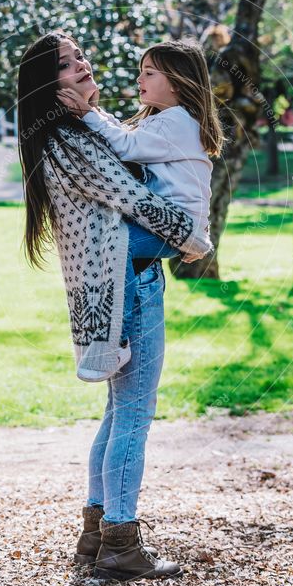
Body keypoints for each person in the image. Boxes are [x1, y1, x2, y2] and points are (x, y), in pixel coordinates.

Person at [17, 31, 212, 580]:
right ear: (47, 84)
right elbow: (138, 202)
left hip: (124, 280)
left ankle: (97, 533)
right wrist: (195, 241)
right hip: (133, 283)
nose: (83, 64)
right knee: (133, 415)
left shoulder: (70, 131)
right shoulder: (68, 136)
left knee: (117, 412)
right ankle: (121, 543)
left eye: (81, 54)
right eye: (67, 63)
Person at [57, 39, 224, 380]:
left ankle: (112, 341)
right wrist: (95, 113)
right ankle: (108, 336)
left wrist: (88, 114)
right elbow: (121, 134)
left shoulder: (177, 121)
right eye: (139, 72)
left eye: (148, 73)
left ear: (177, 82)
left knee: (120, 244)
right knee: (115, 244)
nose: (139, 80)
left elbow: (125, 146)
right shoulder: (164, 120)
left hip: (173, 225)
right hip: (170, 226)